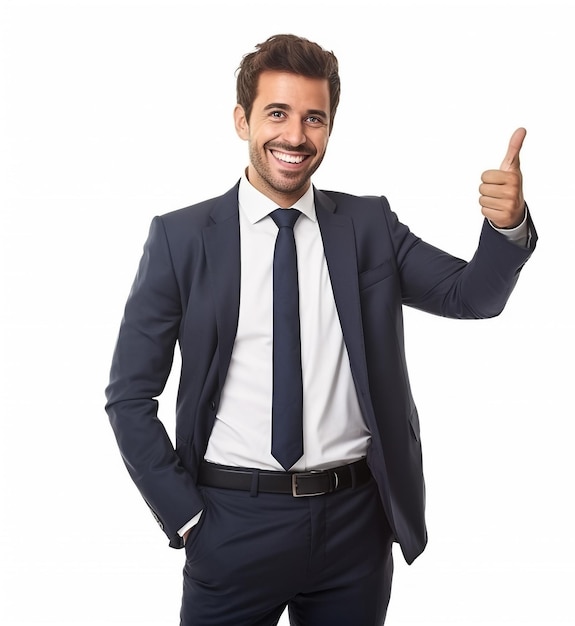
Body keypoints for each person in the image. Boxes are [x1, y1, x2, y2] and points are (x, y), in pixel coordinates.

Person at [105, 33, 537, 625]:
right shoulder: (181, 240)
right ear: (242, 120)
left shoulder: (367, 226)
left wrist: (507, 226)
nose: (295, 136)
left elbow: (473, 296)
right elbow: (129, 396)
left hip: (354, 526)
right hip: (232, 522)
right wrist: (186, 515)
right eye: (276, 114)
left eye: (314, 118)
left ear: (330, 127)